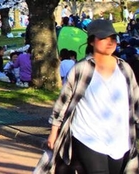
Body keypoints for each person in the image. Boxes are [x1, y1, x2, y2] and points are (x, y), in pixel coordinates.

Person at [35, 19, 139, 174]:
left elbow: (135, 101)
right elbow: (63, 101)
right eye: (103, 38)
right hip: (88, 136)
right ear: (91, 41)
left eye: (113, 38)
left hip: (120, 137)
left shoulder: (124, 68)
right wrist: (54, 132)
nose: (110, 42)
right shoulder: (82, 68)